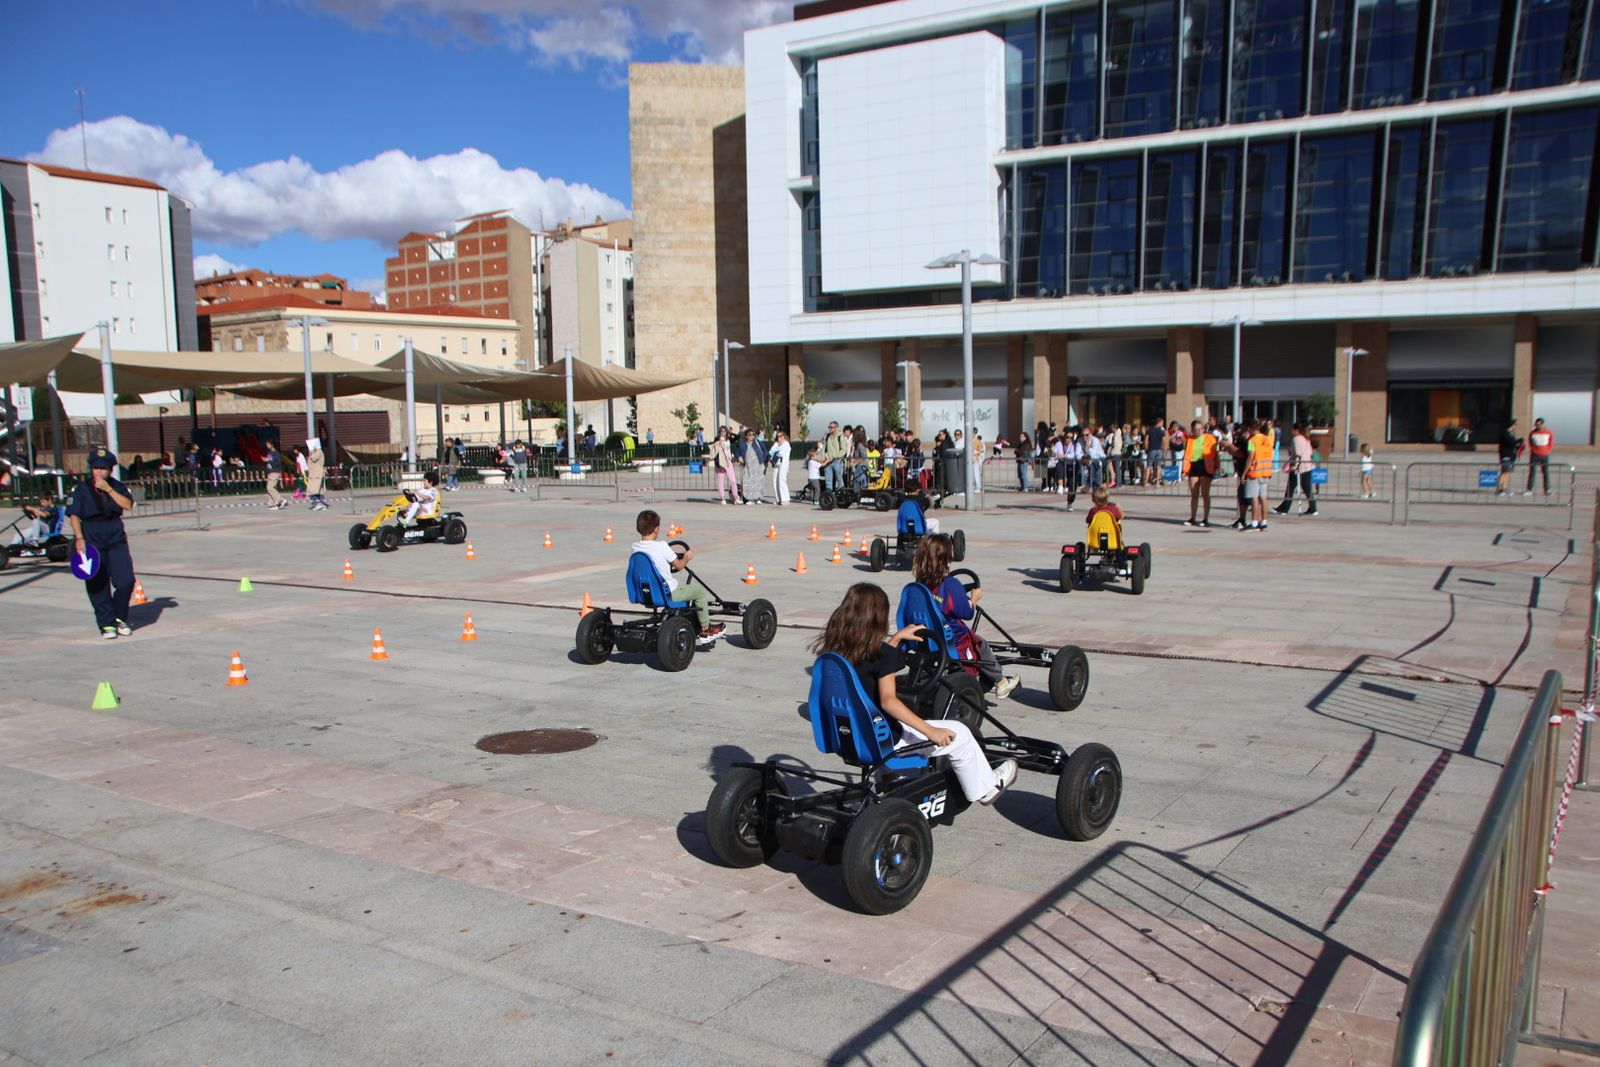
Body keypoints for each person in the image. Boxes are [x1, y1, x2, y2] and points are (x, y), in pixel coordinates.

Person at [810, 583, 1016, 806]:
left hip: (848, 737)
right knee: (962, 734)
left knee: (876, 719)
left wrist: (896, 640)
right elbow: (889, 702)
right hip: (883, 741)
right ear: (879, 619)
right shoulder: (881, 655)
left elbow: (870, 672)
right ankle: (986, 788)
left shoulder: (834, 655)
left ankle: (888, 777)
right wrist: (931, 731)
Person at [913, 534, 1019, 699]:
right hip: (953, 640)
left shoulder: (918, 585)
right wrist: (975, 597)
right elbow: (967, 613)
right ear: (946, 559)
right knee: (981, 646)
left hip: (925, 637)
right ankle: (1001, 682)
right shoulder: (951, 584)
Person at [66, 447, 138, 639]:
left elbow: (127, 505)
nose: (98, 471)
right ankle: (106, 622)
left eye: (103, 468)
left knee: (126, 580)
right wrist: (79, 538)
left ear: (110, 470)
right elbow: (74, 514)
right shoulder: (81, 489)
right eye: (95, 468)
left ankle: (119, 617)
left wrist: (109, 490)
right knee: (97, 581)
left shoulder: (117, 486)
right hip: (92, 534)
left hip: (114, 533)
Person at [632, 510, 723, 645]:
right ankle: (705, 629)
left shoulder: (636, 547)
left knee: (682, 588)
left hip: (645, 593)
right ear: (656, 529)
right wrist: (686, 557)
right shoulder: (662, 546)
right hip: (668, 593)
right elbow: (679, 566)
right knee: (699, 593)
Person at [1273, 424, 1317, 517]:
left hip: (1299, 468)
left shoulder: (1297, 439)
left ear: (1296, 430)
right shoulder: (1306, 439)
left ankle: (1284, 508)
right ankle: (1313, 508)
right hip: (1307, 466)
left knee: (1290, 489)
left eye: (1292, 429)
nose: (1291, 431)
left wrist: (1295, 466)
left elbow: (1298, 454)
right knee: (1307, 488)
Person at [1181, 419, 1218, 527]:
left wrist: (1217, 465)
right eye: (1196, 429)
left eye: (1200, 429)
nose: (1199, 431)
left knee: (1205, 494)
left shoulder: (1210, 438)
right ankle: (1193, 517)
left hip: (1206, 465)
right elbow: (1187, 454)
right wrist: (1184, 470)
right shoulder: (1190, 439)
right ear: (1192, 430)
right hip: (1193, 465)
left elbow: (1215, 453)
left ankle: (1205, 519)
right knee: (1194, 494)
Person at [1242, 419, 1274, 530]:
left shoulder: (1252, 441)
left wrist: (1244, 473)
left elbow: (1250, 457)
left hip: (1255, 472)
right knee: (1263, 497)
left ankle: (1254, 522)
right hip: (1266, 471)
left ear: (1250, 429)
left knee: (1254, 497)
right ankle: (1264, 521)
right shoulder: (1267, 439)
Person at [1525, 418, 1554, 496]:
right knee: (1532, 472)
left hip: (1545, 455)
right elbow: (1530, 443)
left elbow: (1551, 443)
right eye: (1537, 424)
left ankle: (1547, 489)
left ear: (1543, 424)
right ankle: (1529, 489)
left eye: (1540, 424)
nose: (1539, 425)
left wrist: (1547, 451)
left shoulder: (1548, 432)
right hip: (1534, 455)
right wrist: (1534, 450)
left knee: (1545, 472)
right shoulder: (1532, 433)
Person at [739, 428, 766, 505]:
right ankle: (748, 499)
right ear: (746, 436)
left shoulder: (758, 442)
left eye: (753, 434)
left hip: (758, 466)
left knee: (758, 482)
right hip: (748, 466)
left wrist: (764, 460)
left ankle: (758, 498)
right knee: (748, 481)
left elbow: (765, 450)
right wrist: (739, 456)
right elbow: (738, 451)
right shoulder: (743, 444)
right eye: (749, 435)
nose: (752, 436)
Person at [710, 428, 736, 505]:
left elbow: (737, 437)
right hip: (720, 462)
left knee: (733, 480)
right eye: (721, 431)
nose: (723, 433)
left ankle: (735, 496)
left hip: (728, 461)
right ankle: (722, 497)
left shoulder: (728, 440)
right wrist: (719, 442)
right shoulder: (717, 440)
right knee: (721, 480)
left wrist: (730, 433)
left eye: (724, 431)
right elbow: (715, 450)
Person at [1497, 418, 1521, 496]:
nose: (1516, 426)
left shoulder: (1511, 432)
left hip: (1511, 455)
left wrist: (1518, 446)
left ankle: (1504, 487)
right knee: (1504, 472)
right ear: (1512, 424)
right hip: (1506, 455)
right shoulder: (1505, 432)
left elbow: (1513, 444)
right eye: (1515, 424)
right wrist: (1518, 441)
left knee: (1508, 472)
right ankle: (1500, 489)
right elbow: (1510, 442)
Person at [769, 430, 792, 506]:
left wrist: (774, 452)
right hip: (776, 463)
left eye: (780, 436)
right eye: (777, 436)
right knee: (775, 481)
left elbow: (781, 453)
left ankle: (785, 499)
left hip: (783, 464)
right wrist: (775, 446)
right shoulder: (776, 444)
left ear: (784, 436)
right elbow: (770, 452)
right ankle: (778, 499)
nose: (779, 438)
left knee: (781, 480)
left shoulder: (786, 444)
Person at [305, 438, 329, 511]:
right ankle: (320, 503)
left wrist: (311, 452)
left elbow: (314, 458)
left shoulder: (319, 451)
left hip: (317, 473)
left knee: (313, 489)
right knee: (318, 489)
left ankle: (318, 503)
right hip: (313, 473)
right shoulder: (315, 452)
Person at [263, 440, 287, 510]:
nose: (267, 446)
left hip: (275, 472)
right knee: (271, 488)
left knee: (270, 487)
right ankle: (273, 504)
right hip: (270, 473)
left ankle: (281, 500)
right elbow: (269, 462)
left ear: (272, 444)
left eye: (268, 444)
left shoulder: (276, 453)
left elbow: (278, 462)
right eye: (266, 444)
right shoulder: (269, 453)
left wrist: (269, 461)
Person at [1145, 419, 1166, 486]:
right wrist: (1164, 450)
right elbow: (1163, 441)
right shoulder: (1161, 431)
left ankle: (1146, 481)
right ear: (1159, 423)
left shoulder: (1149, 430)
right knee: (1158, 466)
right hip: (1159, 450)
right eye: (1162, 423)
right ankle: (1157, 482)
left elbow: (1146, 440)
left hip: (1152, 449)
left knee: (1149, 465)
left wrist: (1146, 448)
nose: (1162, 424)